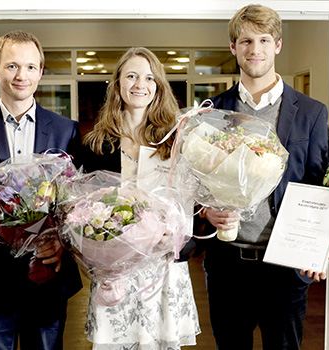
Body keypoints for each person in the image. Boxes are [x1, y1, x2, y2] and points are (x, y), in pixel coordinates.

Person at [194, 4, 329, 350]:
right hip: (228, 265)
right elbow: (193, 184)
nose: (255, 50)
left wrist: (319, 245)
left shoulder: (312, 112)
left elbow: (319, 184)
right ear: (233, 48)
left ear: (278, 45)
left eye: (264, 40)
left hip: (285, 264)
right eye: (246, 41)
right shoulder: (212, 110)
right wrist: (207, 211)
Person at [0, 30, 82, 350]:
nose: (22, 76)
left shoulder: (66, 129)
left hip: (48, 274)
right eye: (12, 66)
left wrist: (63, 245)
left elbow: (76, 203)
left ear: (41, 71)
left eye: (30, 67)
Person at [70, 47, 200, 349]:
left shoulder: (175, 141)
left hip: (163, 270)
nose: (140, 84)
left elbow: (191, 209)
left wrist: (178, 236)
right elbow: (81, 210)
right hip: (114, 274)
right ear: (117, 84)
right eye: (131, 76)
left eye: (149, 78)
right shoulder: (95, 144)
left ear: (158, 86)